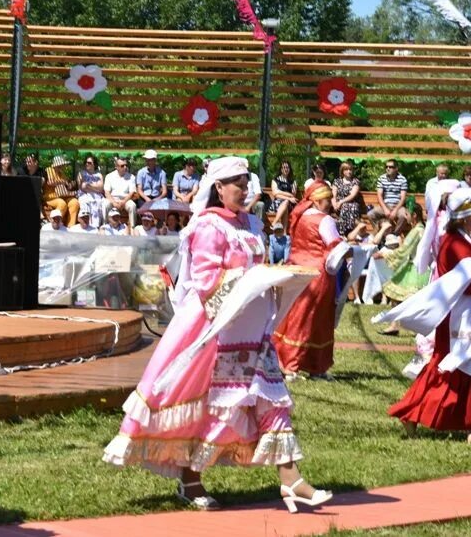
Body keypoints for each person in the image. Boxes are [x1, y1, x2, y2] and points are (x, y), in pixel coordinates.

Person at [103, 156, 332, 513]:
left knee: (272, 400)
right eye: (235, 183)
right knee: (205, 405)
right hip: (213, 327)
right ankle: (190, 478)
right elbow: (207, 281)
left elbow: (257, 268)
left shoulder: (251, 223)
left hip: (252, 328)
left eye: (246, 182)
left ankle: (291, 479)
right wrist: (256, 280)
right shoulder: (209, 226)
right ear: (218, 188)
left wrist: (277, 279)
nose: (243, 189)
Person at [377, 187, 471, 443]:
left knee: (457, 370)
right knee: (468, 368)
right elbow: (470, 283)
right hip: (461, 317)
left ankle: (457, 422)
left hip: (469, 316)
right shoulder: (455, 244)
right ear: (464, 217)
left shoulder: (465, 240)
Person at [273, 181, 351, 380]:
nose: (330, 204)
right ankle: (299, 365)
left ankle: (292, 362)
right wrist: (350, 249)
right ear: (317, 201)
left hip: (297, 268)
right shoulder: (325, 220)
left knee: (295, 316)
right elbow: (334, 249)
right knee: (315, 320)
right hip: (318, 274)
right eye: (327, 200)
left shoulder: (299, 217)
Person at [381, 207, 429, 303]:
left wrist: (385, 254)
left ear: (414, 215)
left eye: (407, 214)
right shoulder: (422, 229)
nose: (405, 217)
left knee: (405, 299)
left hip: (415, 269)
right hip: (421, 266)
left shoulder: (416, 231)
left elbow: (404, 250)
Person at [372, 160, 409, 234]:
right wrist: (385, 209)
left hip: (398, 206)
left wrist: (395, 210)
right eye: (386, 167)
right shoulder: (381, 178)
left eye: (391, 167)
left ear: (396, 168)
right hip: (386, 205)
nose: (388, 168)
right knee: (370, 214)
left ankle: (395, 234)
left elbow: (403, 198)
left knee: (403, 216)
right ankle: (380, 233)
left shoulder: (402, 179)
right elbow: (379, 195)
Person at [45, 155, 80, 226]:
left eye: (64, 165)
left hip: (62, 196)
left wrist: (70, 185)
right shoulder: (49, 170)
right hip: (51, 198)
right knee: (62, 204)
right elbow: (51, 182)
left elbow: (65, 189)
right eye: (62, 165)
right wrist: (63, 182)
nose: (64, 166)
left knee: (75, 202)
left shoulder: (63, 173)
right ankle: (55, 225)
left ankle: (70, 226)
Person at [104, 157, 138, 228]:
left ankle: (132, 227)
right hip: (113, 199)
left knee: (132, 206)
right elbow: (107, 192)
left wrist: (123, 202)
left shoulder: (131, 177)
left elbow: (131, 192)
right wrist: (114, 203)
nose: (125, 167)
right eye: (122, 166)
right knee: (105, 204)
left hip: (126, 199)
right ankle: (105, 226)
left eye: (126, 165)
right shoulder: (109, 176)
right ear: (116, 167)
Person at [331, 161, 362, 237]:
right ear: (342, 171)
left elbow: (352, 195)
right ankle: (344, 233)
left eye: (350, 169)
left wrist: (341, 202)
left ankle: (346, 232)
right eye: (346, 169)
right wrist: (334, 204)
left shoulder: (355, 181)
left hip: (351, 203)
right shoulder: (337, 181)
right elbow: (333, 195)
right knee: (344, 207)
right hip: (338, 204)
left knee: (347, 207)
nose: (349, 171)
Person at [77, 155, 106, 228]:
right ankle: (87, 225)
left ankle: (99, 226)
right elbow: (82, 187)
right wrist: (95, 187)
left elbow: (101, 188)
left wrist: (88, 185)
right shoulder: (81, 173)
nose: (87, 164)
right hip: (84, 194)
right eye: (86, 162)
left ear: (94, 164)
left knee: (101, 203)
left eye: (89, 163)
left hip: (97, 196)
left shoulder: (99, 175)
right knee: (86, 201)